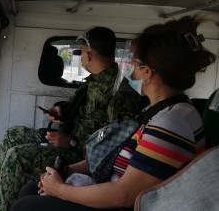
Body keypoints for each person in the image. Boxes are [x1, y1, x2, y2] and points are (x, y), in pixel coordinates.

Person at [12, 15, 217, 211]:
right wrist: (69, 170)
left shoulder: (173, 122)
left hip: (119, 204)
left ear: (147, 72)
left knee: (26, 206)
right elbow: (112, 151)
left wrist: (61, 190)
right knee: (30, 190)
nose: (129, 67)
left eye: (134, 61)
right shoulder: (158, 110)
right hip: (110, 188)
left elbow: (124, 195)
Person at [0, 27, 142, 211]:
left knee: (18, 156)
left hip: (80, 155)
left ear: (88, 55)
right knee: (13, 134)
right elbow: (77, 106)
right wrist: (60, 110)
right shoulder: (95, 80)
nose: (81, 58)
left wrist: (72, 142)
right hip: (67, 138)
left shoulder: (119, 92)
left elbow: (113, 146)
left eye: (81, 53)